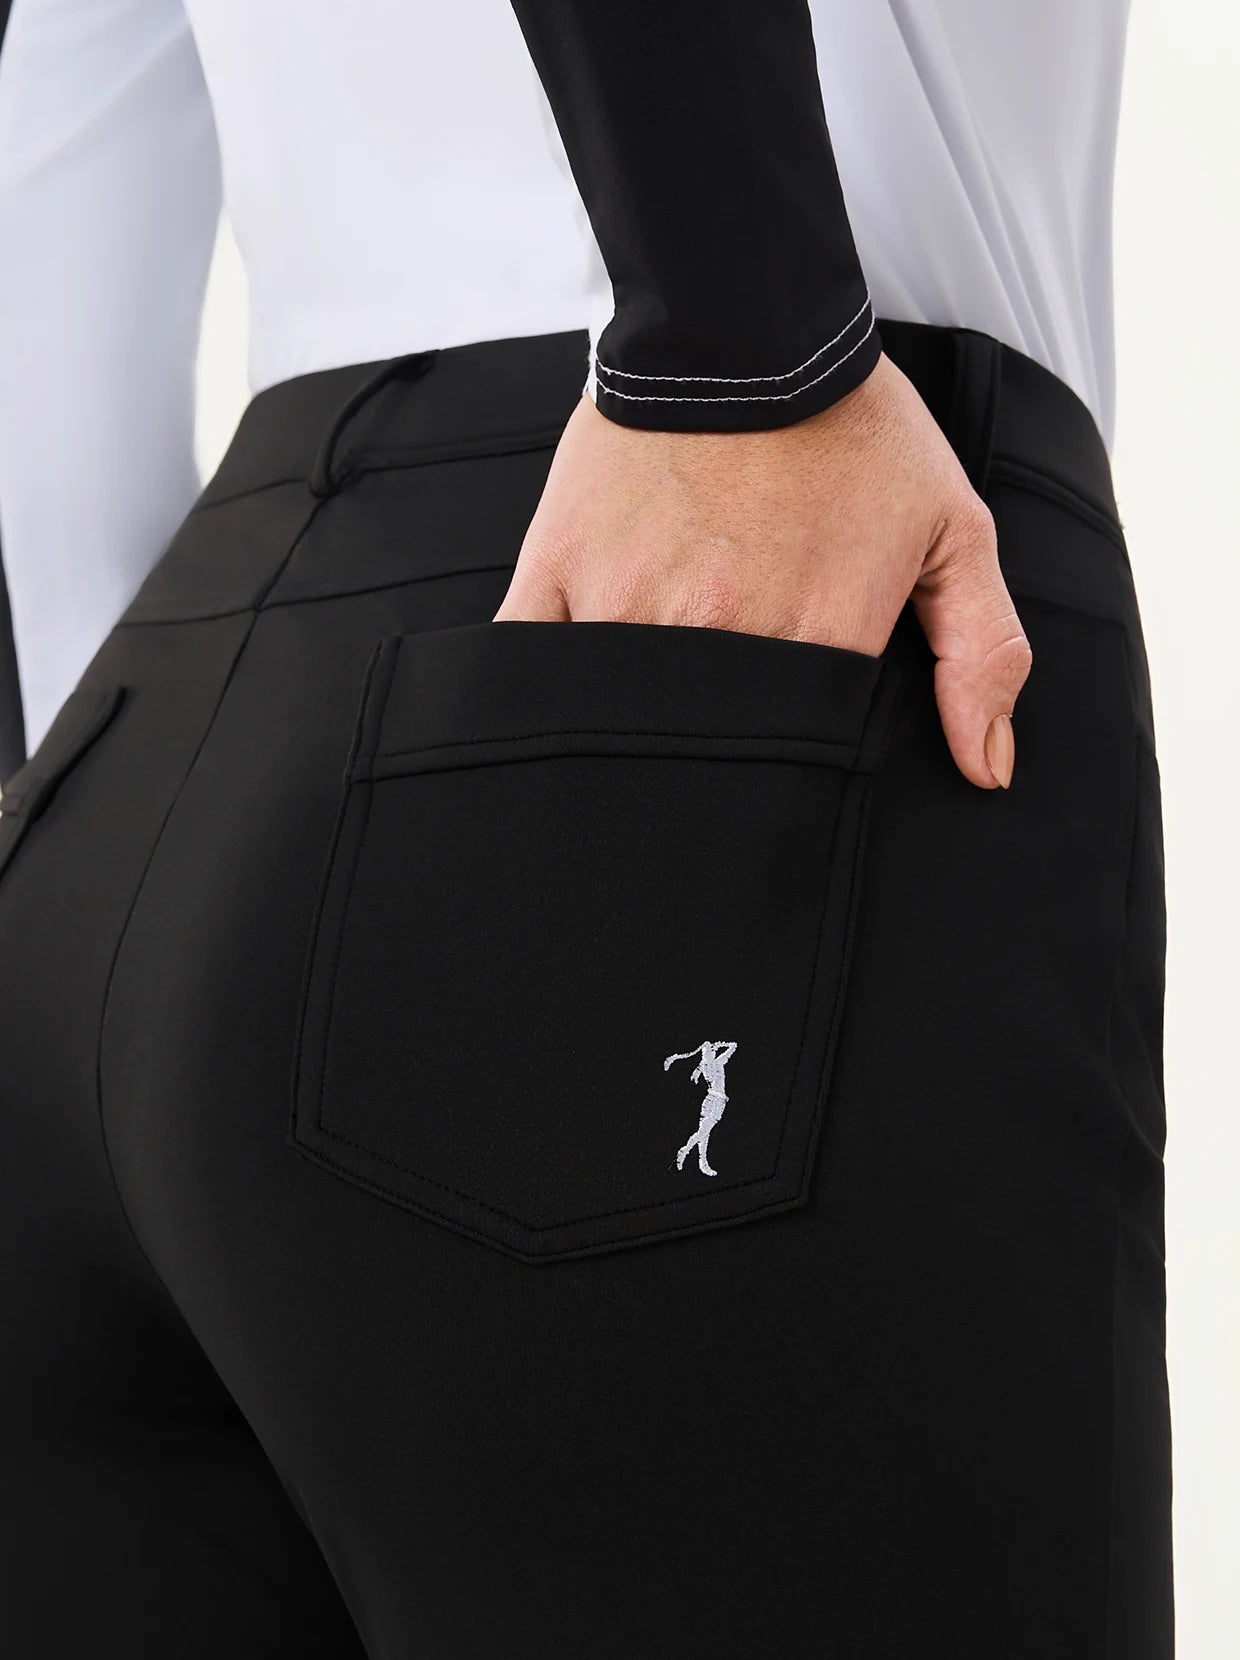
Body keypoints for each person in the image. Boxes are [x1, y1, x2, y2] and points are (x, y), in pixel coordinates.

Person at [0, 3, 1171, 1657]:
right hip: (740, 593)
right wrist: (742, 342)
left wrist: (79, 752)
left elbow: (57, 89)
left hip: (136, 788)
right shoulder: (749, 367)